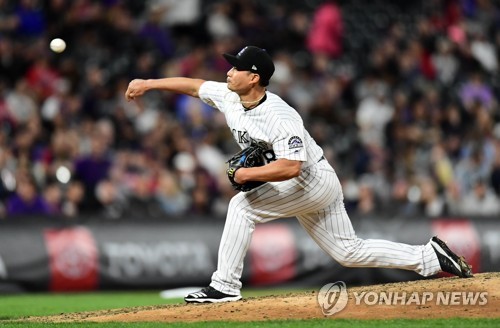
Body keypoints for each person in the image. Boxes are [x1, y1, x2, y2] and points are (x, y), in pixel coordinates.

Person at [125, 45, 473, 303]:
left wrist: (248, 176)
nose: (228, 72)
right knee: (348, 252)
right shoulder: (231, 97)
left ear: (254, 77)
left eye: (236, 68)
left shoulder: (280, 116)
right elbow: (194, 85)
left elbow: (293, 166)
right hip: (309, 183)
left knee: (241, 207)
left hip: (311, 180)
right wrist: (149, 82)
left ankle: (225, 287)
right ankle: (429, 257)